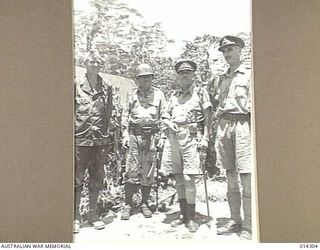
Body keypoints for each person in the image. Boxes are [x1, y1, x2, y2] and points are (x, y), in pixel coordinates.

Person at [160, 60, 211, 232]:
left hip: (192, 138)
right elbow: (165, 115)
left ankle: (191, 216)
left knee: (189, 178)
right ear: (178, 76)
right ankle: (183, 215)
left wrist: (206, 138)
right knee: (179, 178)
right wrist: (168, 123)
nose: (185, 75)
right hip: (174, 138)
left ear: (193, 75)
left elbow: (208, 117)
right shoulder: (174, 96)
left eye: (188, 72)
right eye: (182, 73)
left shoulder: (201, 93)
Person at [213, 35, 253, 240]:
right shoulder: (221, 77)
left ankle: (248, 224)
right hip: (224, 125)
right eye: (224, 51)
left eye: (231, 49)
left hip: (244, 125)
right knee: (230, 174)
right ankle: (234, 219)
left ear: (240, 51)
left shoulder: (249, 74)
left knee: (246, 175)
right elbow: (216, 105)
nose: (227, 54)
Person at [74, 50, 113, 233]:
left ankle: (92, 215)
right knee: (76, 179)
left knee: (96, 179)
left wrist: (105, 136)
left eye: (98, 61)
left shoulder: (107, 88)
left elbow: (109, 114)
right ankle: (75, 217)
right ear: (85, 64)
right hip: (79, 140)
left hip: (99, 142)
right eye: (91, 61)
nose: (95, 64)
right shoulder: (75, 85)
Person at [121, 63, 166, 220]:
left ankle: (144, 204)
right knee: (131, 169)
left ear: (152, 78)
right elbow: (125, 115)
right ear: (137, 80)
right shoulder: (131, 94)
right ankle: (128, 204)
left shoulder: (159, 94)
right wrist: (125, 135)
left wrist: (162, 137)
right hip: (134, 134)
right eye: (142, 77)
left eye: (148, 77)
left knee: (148, 171)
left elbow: (164, 116)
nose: (145, 80)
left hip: (152, 136)